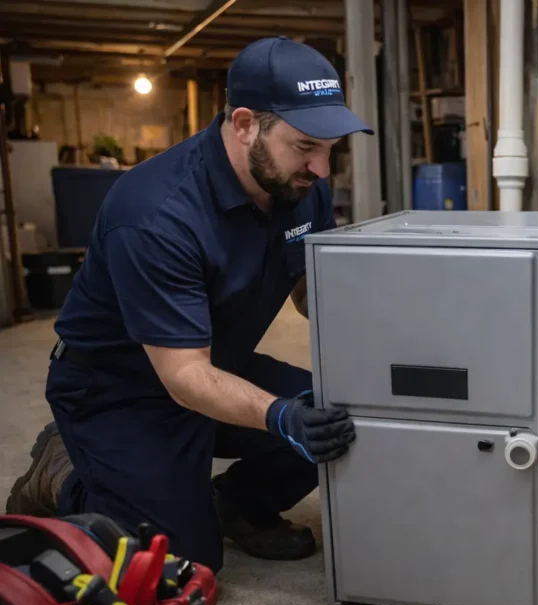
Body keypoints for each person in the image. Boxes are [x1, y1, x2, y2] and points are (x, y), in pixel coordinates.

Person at [6, 37, 372, 574]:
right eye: (305, 146)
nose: (321, 168)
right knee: (177, 565)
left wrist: (381, 325)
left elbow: (304, 288)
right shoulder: (157, 215)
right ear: (245, 123)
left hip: (212, 360)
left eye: (330, 149)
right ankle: (62, 473)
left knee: (344, 416)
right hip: (120, 390)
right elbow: (182, 377)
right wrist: (280, 415)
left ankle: (241, 505)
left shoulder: (299, 186)